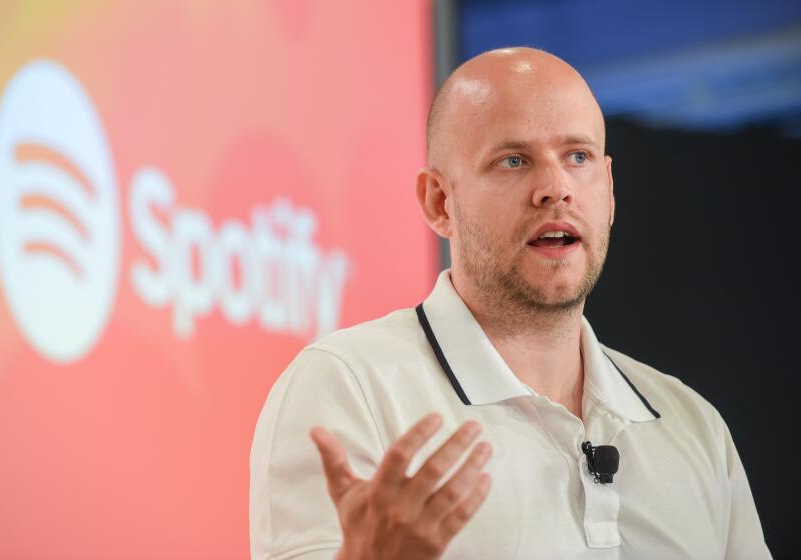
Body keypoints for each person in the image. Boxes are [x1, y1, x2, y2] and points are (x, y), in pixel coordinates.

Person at [249, 47, 771, 559]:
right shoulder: (349, 385)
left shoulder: (693, 425)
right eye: (513, 160)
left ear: (609, 191)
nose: (555, 188)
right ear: (439, 202)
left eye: (578, 157)